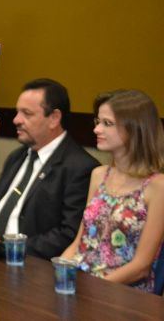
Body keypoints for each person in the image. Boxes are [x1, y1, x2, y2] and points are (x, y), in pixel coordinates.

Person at [0, 78, 100, 259]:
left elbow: (69, 234)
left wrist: (9, 248)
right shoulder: (17, 157)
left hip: (30, 265)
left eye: (27, 114)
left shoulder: (80, 167)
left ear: (54, 118)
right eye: (17, 112)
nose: (16, 120)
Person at [61, 90, 164, 292]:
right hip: (80, 284)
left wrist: (90, 289)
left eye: (107, 123)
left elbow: (141, 267)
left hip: (122, 295)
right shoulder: (99, 175)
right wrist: (60, 272)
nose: (96, 129)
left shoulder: (158, 187)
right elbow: (79, 242)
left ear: (135, 130)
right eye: (97, 121)